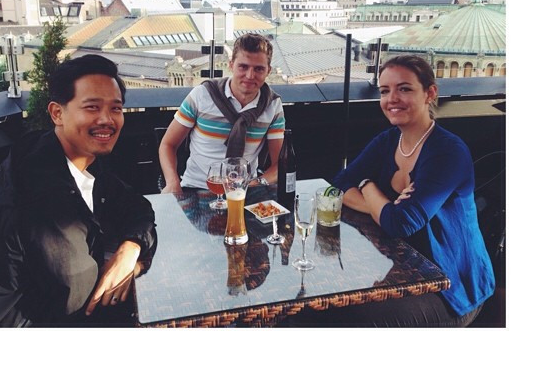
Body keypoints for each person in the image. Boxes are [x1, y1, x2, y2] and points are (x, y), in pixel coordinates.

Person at [297, 54, 495, 327]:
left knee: (347, 320)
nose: (392, 99)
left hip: (450, 287)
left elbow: (400, 223)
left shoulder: (447, 152)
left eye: (404, 89)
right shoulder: (389, 140)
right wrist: (380, 207)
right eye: (384, 91)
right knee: (313, 302)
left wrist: (366, 185)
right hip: (402, 268)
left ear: (430, 93)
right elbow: (339, 184)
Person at [0, 54, 157, 327]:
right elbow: (77, 292)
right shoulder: (40, 188)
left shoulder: (82, 159)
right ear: (57, 113)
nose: (107, 119)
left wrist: (130, 251)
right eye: (92, 107)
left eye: (116, 108)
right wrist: (137, 266)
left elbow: (138, 209)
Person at [158, 33, 285, 192]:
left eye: (259, 69)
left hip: (244, 192)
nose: (250, 75)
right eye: (243, 67)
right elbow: (168, 145)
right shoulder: (202, 95)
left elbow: (280, 163)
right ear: (231, 65)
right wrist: (172, 182)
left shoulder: (272, 105)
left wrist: (256, 183)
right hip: (197, 188)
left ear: (268, 71)